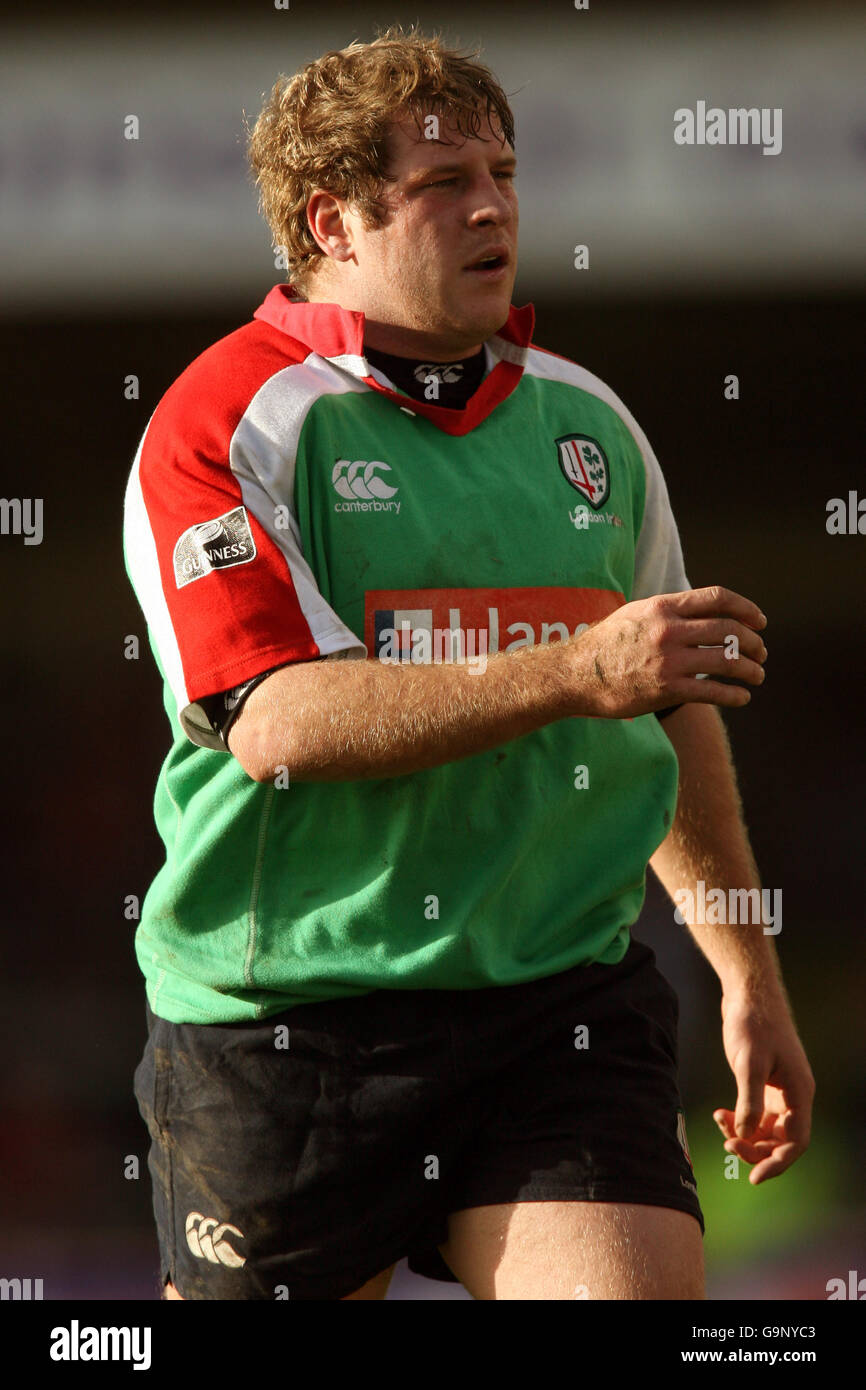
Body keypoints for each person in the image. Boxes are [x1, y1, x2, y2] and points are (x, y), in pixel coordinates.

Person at [123, 24, 814, 1301]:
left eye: (502, 173)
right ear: (331, 218)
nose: (493, 205)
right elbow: (277, 721)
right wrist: (580, 669)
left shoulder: (587, 423)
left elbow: (667, 707)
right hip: (289, 1021)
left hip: (555, 1000)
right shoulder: (224, 423)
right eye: (445, 183)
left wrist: (741, 971)